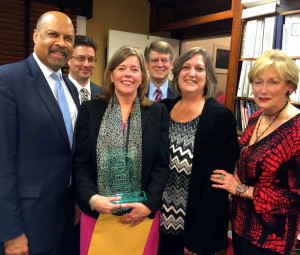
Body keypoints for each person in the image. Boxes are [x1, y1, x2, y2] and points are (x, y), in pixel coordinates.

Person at [73, 46, 170, 255]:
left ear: (142, 77)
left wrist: (149, 204)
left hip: (141, 215)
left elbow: (162, 165)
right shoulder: (90, 110)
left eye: (135, 69)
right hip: (98, 213)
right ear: (111, 75)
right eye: (121, 68)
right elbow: (80, 164)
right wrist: (92, 199)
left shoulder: (158, 112)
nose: (128, 74)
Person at [0, 11, 79, 255]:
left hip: (65, 220)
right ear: (35, 36)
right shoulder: (8, 79)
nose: (61, 43)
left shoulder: (70, 89)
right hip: (27, 223)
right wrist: (11, 232)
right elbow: (2, 163)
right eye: (53, 34)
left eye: (68, 38)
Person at [211, 49, 300, 255]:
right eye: (258, 82)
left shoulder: (297, 129)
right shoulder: (255, 117)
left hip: (271, 238)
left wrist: (242, 189)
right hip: (241, 225)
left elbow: (295, 197)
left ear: (290, 86)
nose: (263, 90)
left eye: (273, 82)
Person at [158, 47, 239, 255]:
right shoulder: (164, 108)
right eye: (185, 67)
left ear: (208, 76)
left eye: (199, 68)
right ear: (177, 74)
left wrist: (198, 239)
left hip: (193, 230)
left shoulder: (219, 117)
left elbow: (218, 184)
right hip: (157, 222)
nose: (191, 73)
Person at [67, 35, 103, 104]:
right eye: (80, 58)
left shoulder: (102, 94)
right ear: (68, 59)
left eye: (91, 59)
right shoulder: (58, 89)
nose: (86, 64)